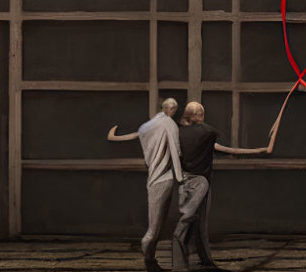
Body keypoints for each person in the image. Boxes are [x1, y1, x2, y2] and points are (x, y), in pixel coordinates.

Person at [172, 101, 278, 272]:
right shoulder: (207, 134)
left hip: (184, 182)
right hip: (201, 183)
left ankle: (204, 260)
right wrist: (261, 150)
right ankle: (186, 264)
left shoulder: (178, 133)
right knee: (191, 222)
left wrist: (260, 150)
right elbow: (229, 150)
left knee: (195, 222)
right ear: (200, 115)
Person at [108, 98, 183, 272]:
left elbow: (125, 137)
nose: (175, 112)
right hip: (164, 179)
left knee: (156, 224)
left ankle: (151, 259)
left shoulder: (146, 127)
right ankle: (149, 259)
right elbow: (175, 149)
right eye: (175, 109)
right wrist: (180, 177)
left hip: (153, 179)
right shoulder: (169, 124)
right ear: (171, 109)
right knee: (155, 227)